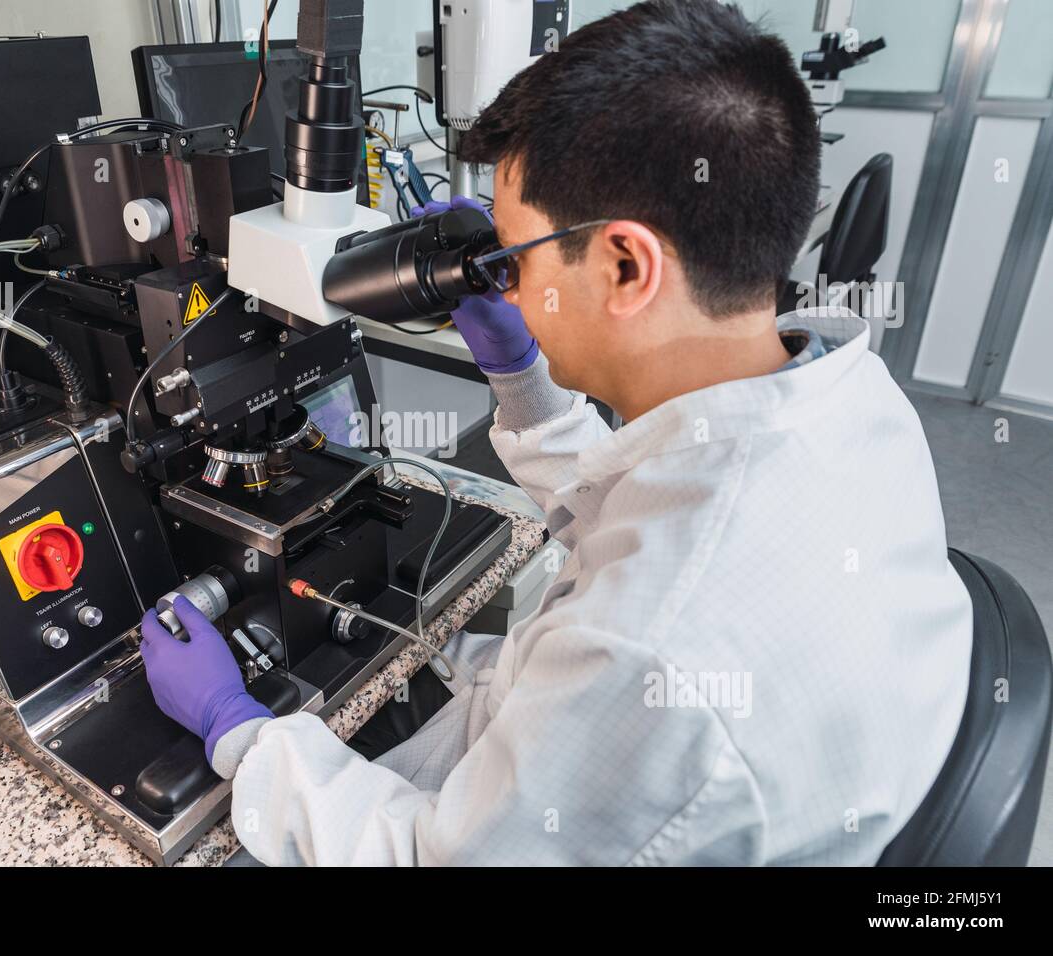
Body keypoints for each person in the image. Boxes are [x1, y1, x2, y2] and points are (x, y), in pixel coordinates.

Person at [137, 0, 972, 865]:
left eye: (515, 257)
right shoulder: (845, 392)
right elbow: (651, 506)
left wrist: (238, 732)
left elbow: (428, 857)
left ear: (624, 265)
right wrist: (520, 379)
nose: (504, 284)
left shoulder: (649, 651)